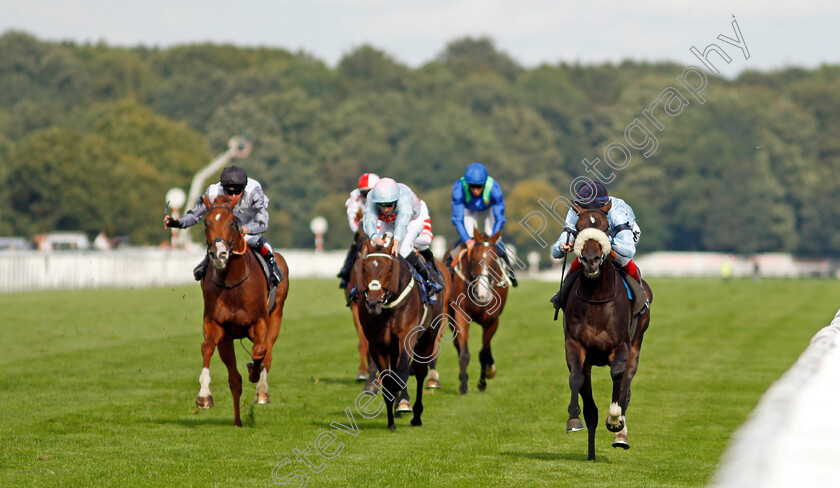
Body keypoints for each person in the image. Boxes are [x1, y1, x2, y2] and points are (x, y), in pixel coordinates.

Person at [164, 165, 283, 285]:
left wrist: (241, 229)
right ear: (223, 188)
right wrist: (179, 223)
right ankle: (207, 260)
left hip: (248, 223)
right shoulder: (213, 192)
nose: (233, 197)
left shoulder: (254, 191)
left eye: (237, 192)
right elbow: (195, 215)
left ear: (244, 188)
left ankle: (271, 261)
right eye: (229, 192)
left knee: (251, 240)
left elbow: (262, 224)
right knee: (217, 241)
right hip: (226, 229)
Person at [551, 180, 647, 313]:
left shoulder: (617, 211)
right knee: (581, 260)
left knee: (620, 259)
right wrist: (562, 247)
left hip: (619, 236)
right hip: (592, 239)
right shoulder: (575, 210)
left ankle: (641, 296)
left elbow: (629, 250)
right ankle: (562, 294)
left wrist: (606, 240)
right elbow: (555, 252)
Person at [363, 177, 443, 303]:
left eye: (389, 205)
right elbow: (369, 221)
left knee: (403, 249)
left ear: (396, 200)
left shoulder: (405, 198)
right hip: (389, 222)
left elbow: (402, 223)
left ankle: (430, 282)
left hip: (411, 220)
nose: (385, 209)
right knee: (375, 247)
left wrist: (396, 241)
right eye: (381, 206)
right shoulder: (371, 197)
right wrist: (375, 237)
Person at [449, 162, 517, 286]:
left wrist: (492, 238)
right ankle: (449, 267)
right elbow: (458, 219)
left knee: (493, 239)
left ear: (484, 184)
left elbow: (500, 219)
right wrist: (467, 240)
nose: (475, 190)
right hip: (468, 208)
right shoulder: (459, 188)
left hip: (489, 208)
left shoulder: (494, 189)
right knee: (468, 236)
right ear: (467, 184)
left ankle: (509, 269)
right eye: (472, 187)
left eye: (479, 187)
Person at [337, 173, 379, 289]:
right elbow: (352, 220)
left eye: (368, 193)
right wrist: (363, 232)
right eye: (363, 193)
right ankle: (346, 274)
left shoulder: (384, 194)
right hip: (364, 230)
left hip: (383, 228)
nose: (365, 197)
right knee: (356, 246)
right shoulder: (354, 196)